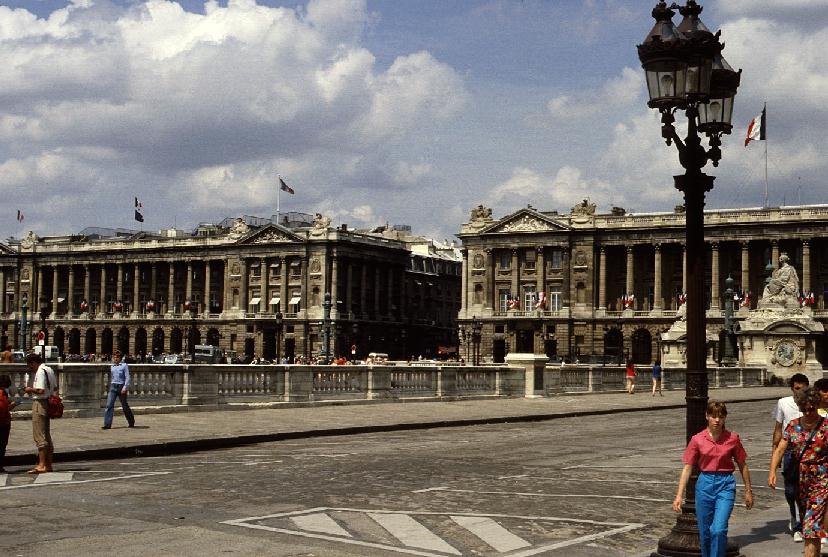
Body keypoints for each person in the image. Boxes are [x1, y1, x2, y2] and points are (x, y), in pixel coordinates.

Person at [673, 400, 753, 557]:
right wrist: (679, 495)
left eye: (721, 417)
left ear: (725, 418)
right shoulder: (697, 439)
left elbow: (742, 464)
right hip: (705, 484)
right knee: (705, 532)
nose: (717, 420)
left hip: (726, 484)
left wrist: (748, 491)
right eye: (714, 416)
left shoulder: (732, 438)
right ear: (707, 416)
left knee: (718, 530)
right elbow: (687, 467)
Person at [770, 387, 828, 557]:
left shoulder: (826, 426)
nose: (808, 412)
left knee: (811, 524)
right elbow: (781, 448)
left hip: (822, 479)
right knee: (809, 524)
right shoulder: (793, 425)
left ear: (817, 406)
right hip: (800, 480)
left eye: (812, 408)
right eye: (804, 409)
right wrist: (772, 471)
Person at [772, 372, 810, 541]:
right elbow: (778, 429)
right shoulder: (783, 403)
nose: (799, 392)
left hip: (809, 450)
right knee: (790, 489)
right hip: (789, 449)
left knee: (807, 489)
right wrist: (774, 455)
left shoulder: (812, 403)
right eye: (796, 388)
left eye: (803, 389)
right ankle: (794, 517)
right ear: (792, 388)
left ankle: (802, 524)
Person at [23, 353, 57, 474]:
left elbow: (40, 390)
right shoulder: (49, 369)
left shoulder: (40, 371)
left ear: (33, 363)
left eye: (30, 366)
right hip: (48, 402)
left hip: (40, 403)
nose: (30, 368)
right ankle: (48, 464)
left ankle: (41, 465)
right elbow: (55, 388)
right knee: (46, 434)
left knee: (39, 435)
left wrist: (29, 389)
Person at [102, 349, 134, 430]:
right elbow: (112, 377)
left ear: (120, 358)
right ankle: (107, 424)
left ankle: (131, 421)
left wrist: (125, 387)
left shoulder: (124, 365)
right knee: (109, 405)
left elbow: (127, 377)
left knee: (124, 406)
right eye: (114, 357)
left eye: (117, 357)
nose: (115, 359)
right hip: (113, 386)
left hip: (121, 386)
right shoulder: (112, 366)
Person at [0, 374, 17, 472]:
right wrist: (13, 405)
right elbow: (4, 409)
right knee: (2, 444)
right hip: (3, 422)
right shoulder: (3, 394)